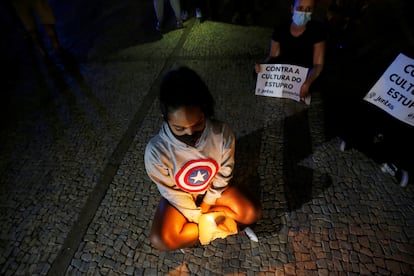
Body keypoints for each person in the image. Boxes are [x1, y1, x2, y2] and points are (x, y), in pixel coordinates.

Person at [144, 66, 261, 251]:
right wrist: (196, 215)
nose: (190, 132)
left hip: (213, 192)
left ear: (205, 111)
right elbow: (171, 191)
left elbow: (224, 173)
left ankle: (205, 230)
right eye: (179, 128)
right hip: (181, 199)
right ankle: (221, 226)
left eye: (198, 123)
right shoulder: (156, 151)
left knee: (250, 213)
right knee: (162, 239)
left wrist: (207, 204)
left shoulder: (221, 134)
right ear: (165, 118)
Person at [256, 0, 327, 99]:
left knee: (317, 84)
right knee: (257, 75)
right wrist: (263, 68)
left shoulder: (318, 30)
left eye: (308, 9)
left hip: (306, 72)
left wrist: (308, 82)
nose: (304, 13)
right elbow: (273, 56)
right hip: (285, 70)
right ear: (292, 9)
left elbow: (318, 65)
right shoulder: (281, 28)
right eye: (300, 8)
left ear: (313, 11)